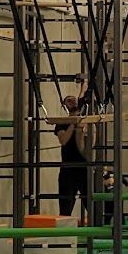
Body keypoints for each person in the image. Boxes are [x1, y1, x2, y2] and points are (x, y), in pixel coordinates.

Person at [49, 93, 91, 223]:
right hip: (68, 168)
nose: (72, 102)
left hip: (84, 167)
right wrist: (73, 123)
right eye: (68, 101)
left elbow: (88, 144)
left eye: (73, 99)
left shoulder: (86, 120)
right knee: (66, 204)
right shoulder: (62, 123)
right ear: (65, 105)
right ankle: (63, 238)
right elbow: (63, 140)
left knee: (91, 203)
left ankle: (97, 233)